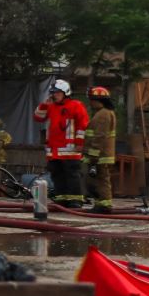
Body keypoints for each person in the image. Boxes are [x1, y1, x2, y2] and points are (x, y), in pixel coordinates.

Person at [33, 78, 90, 208]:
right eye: (53, 92)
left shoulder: (76, 105)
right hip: (54, 150)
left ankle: (75, 200)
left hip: (70, 149)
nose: (54, 95)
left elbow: (83, 126)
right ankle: (62, 198)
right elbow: (38, 117)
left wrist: (80, 142)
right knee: (57, 175)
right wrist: (44, 104)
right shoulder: (51, 106)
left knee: (72, 175)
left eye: (57, 92)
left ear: (65, 93)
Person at [84, 86, 118, 213]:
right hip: (102, 155)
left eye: (92, 100)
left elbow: (99, 137)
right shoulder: (106, 113)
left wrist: (93, 155)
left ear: (99, 100)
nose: (90, 102)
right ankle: (101, 203)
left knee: (101, 180)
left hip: (100, 155)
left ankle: (104, 205)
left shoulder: (103, 114)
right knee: (99, 180)